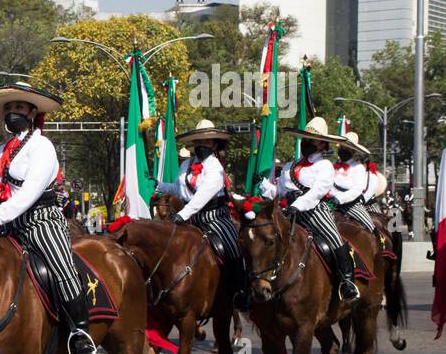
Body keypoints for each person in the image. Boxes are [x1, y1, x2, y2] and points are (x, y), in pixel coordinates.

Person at [0, 82, 97, 354]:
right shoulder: (1, 151)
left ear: (31, 112)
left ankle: (79, 331)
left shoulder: (42, 146)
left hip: (41, 220)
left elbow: (30, 191)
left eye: (18, 107)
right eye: (8, 109)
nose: (12, 113)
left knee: (61, 266)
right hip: (9, 224)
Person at [259, 117, 359, 302]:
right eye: (305, 139)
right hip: (288, 211)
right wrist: (266, 187)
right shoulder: (291, 165)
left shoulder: (325, 166)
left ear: (322, 144)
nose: (307, 143)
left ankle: (347, 282)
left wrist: (297, 205)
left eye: (311, 141)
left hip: (314, 212)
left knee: (335, 238)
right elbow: (280, 191)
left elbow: (316, 192)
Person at [155, 119, 250, 308]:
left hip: (215, 217)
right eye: (198, 142)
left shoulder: (215, 168)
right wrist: (160, 186)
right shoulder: (186, 165)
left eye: (205, 142)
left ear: (214, 143)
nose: (201, 145)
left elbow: (202, 196)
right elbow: (179, 188)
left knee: (233, 249)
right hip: (191, 218)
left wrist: (183, 214)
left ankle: (241, 290)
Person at [332, 131, 377, 234]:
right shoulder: (332, 166)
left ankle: (379, 242)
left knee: (370, 227)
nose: (343, 150)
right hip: (331, 203)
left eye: (347, 148)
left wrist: (339, 199)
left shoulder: (358, 168)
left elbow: (357, 190)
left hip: (351, 204)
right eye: (342, 147)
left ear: (353, 151)